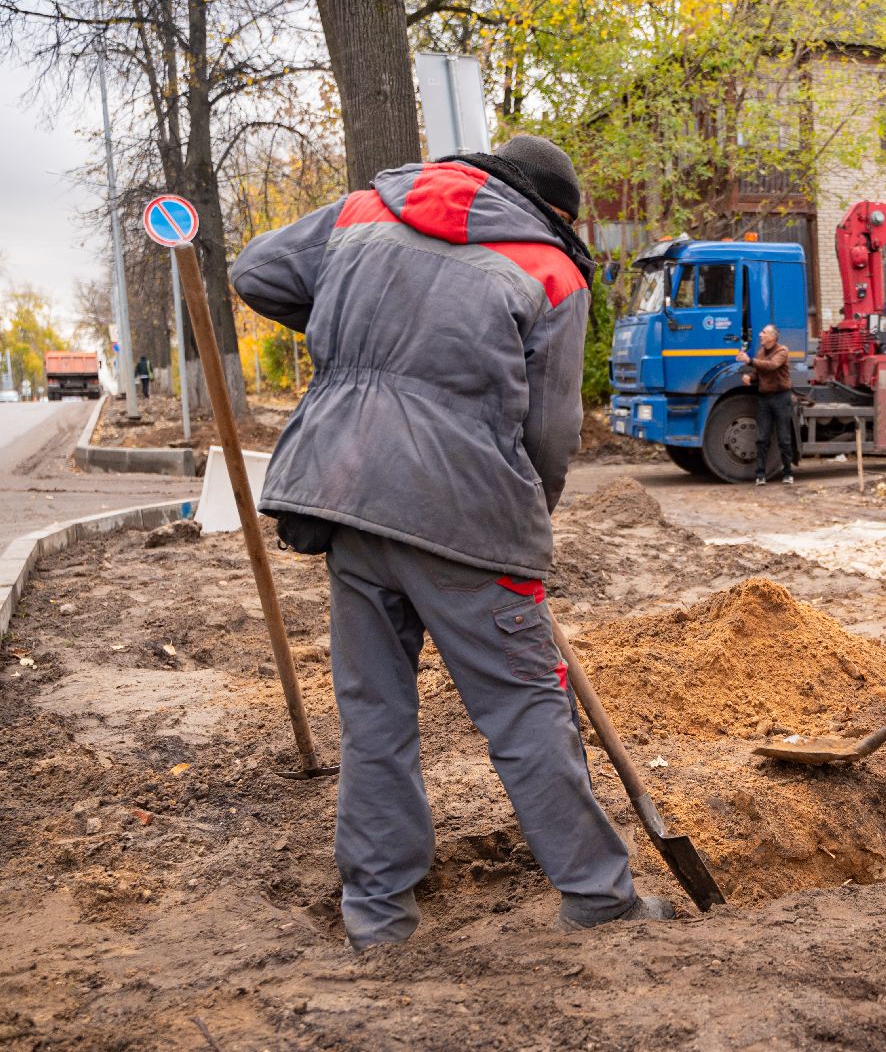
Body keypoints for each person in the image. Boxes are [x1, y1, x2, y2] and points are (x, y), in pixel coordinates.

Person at [230, 135, 673, 949]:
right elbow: (551, 430)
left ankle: (377, 914)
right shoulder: (550, 269)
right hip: (467, 513)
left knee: (375, 714)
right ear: (557, 215)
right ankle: (599, 897)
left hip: (346, 490)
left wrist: (357, 345)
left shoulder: (367, 210)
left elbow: (256, 270)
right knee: (527, 710)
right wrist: (523, 518)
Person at [735, 324, 795, 485]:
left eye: (764, 333)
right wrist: (750, 377)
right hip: (765, 398)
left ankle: (788, 472)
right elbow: (759, 372)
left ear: (772, 337)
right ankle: (760, 475)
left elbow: (772, 366)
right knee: (762, 438)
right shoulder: (761, 352)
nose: (760, 335)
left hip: (781, 398)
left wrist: (749, 361)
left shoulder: (782, 351)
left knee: (784, 438)